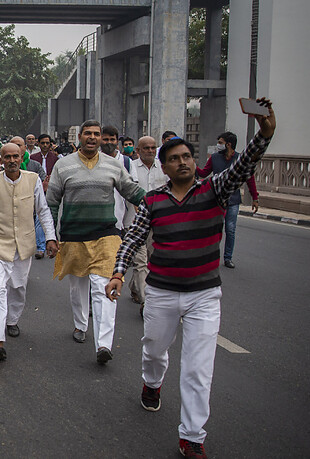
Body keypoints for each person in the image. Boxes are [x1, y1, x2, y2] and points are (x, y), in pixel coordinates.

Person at [106, 99, 275, 459]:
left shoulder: (214, 189)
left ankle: (192, 436)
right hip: (162, 293)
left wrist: (264, 133)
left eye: (187, 156)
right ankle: (152, 384)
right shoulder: (153, 201)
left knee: (198, 370)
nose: (182, 162)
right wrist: (119, 273)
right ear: (164, 167)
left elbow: (245, 164)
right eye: (174, 158)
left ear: (194, 162)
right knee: (154, 350)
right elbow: (133, 238)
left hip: (204, 295)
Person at [45, 120, 146, 364]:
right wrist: (50, 237)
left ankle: (103, 344)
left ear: (101, 138)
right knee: (78, 288)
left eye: (96, 134)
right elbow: (52, 203)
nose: (92, 137)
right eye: (88, 133)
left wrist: (161, 204)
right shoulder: (63, 165)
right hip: (73, 236)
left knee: (104, 287)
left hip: (106, 235)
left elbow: (132, 191)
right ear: (79, 137)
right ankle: (81, 325)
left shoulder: (113, 165)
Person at [0, 143, 58, 360]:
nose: (12, 161)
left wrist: (50, 238)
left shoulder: (33, 180)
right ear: (1, 159)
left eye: (16, 156)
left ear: (21, 157)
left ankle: (12, 320)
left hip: (23, 245)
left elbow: (43, 210)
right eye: (8, 157)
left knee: (18, 287)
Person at [196, 131, 259, 269]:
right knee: (215, 229)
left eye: (220, 143)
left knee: (230, 229)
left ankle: (228, 258)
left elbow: (250, 179)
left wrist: (255, 197)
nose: (218, 145)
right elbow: (204, 173)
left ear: (228, 144)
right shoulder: (214, 158)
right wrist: (192, 166)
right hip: (216, 200)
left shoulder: (240, 160)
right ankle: (211, 256)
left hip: (233, 200)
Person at [127, 136, 168, 312]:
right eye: (146, 148)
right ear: (138, 150)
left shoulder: (164, 168)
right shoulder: (131, 167)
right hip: (136, 222)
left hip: (158, 223)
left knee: (154, 260)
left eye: (153, 148)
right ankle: (146, 303)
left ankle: (135, 286)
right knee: (140, 261)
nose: (150, 151)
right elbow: (130, 193)